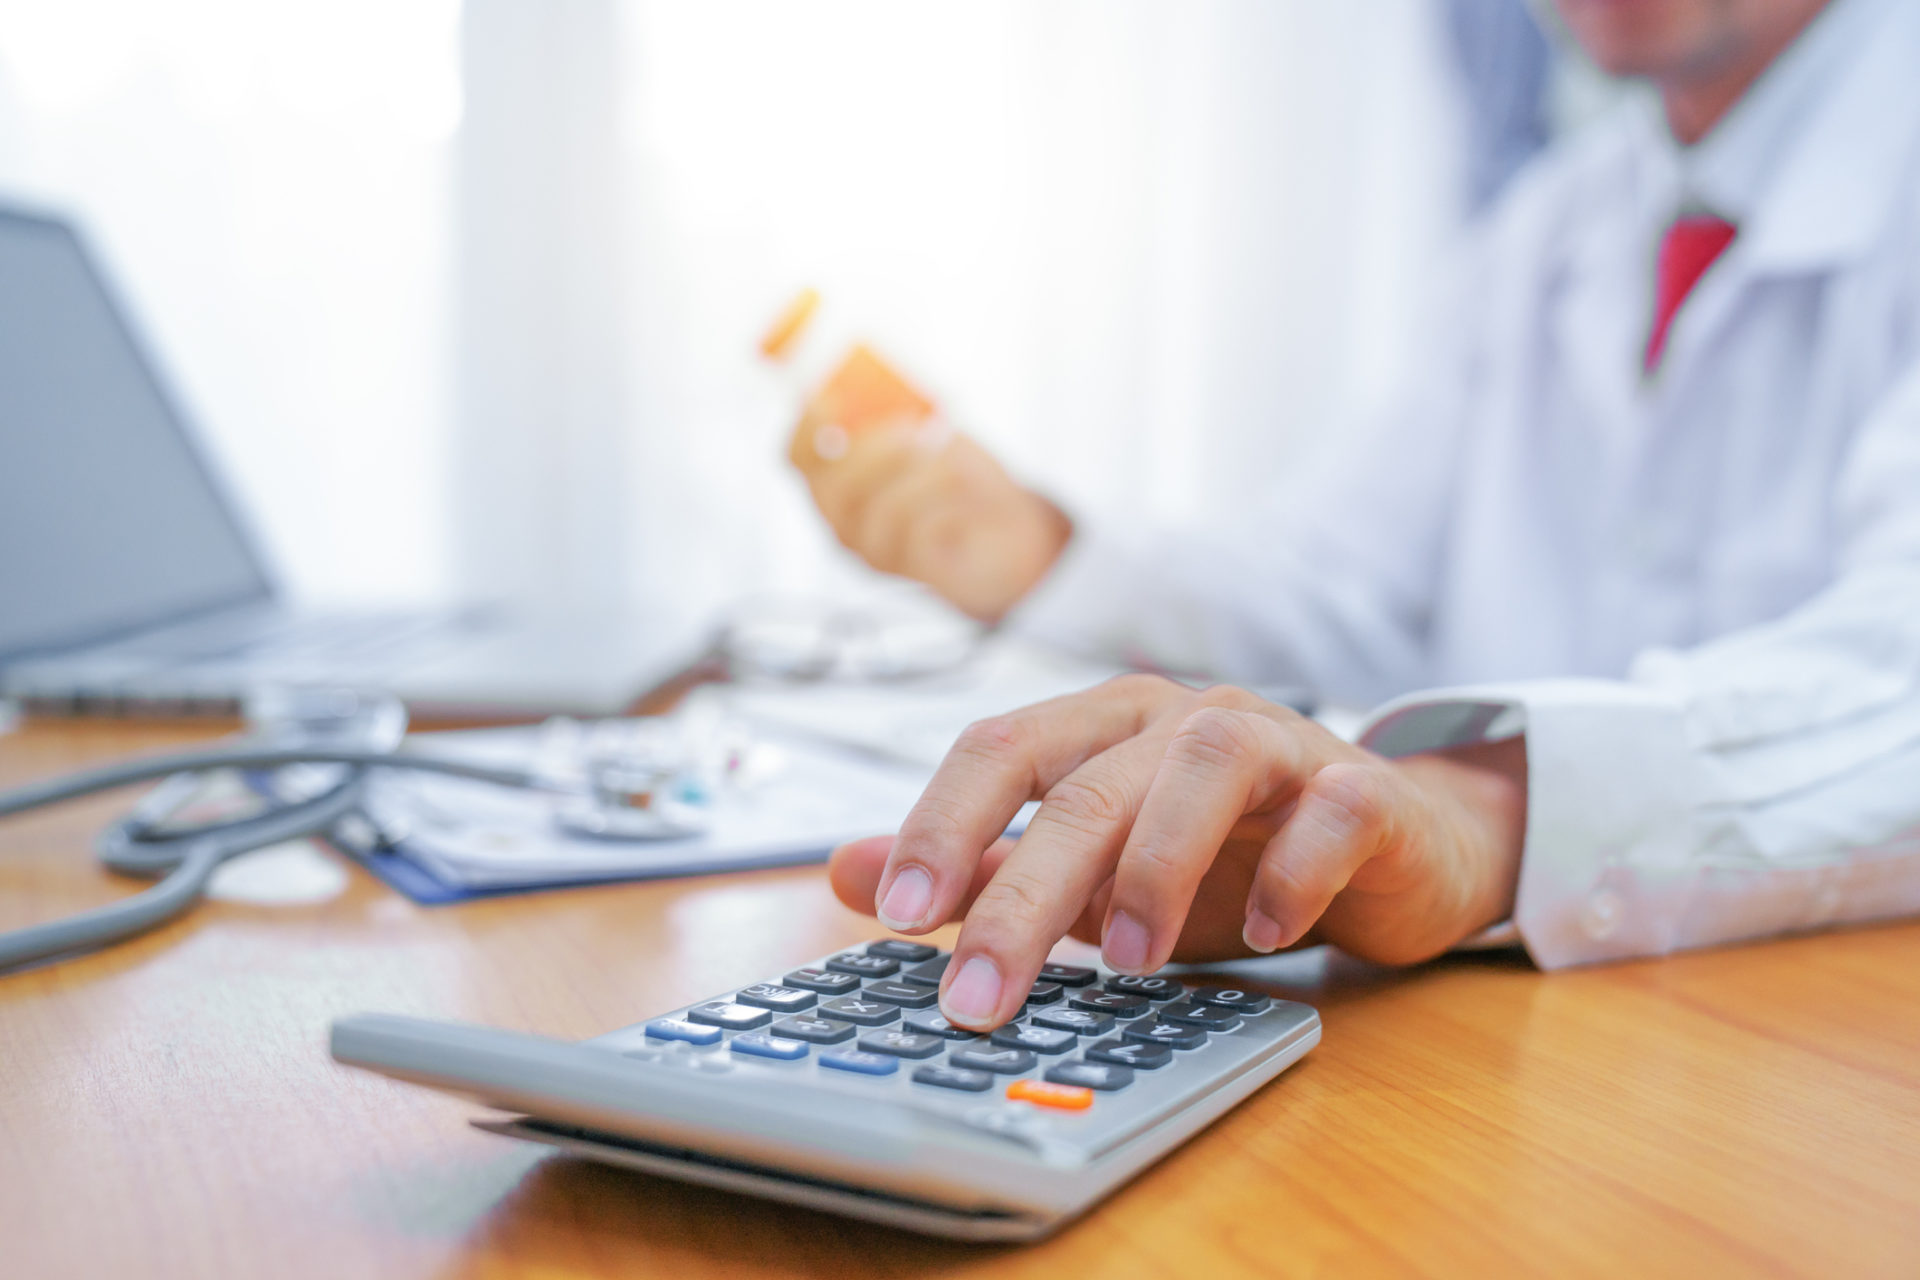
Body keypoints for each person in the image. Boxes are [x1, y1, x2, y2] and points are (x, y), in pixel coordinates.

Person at [791, 0, 1920, 1031]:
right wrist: (1045, 553)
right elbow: (1342, 587)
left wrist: (1488, 811)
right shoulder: (1559, 217)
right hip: (1513, 1031)